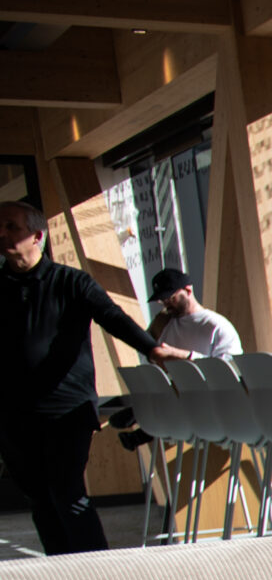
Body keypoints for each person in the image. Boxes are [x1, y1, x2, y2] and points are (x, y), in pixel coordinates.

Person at [0, 198, 187, 554]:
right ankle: (61, 569)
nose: (3, 233)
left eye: (12, 226)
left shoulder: (70, 282)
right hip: (13, 414)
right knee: (38, 498)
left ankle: (96, 569)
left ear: (37, 235)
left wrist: (154, 349)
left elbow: (112, 317)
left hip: (65, 410)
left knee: (67, 493)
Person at [148, 267, 242, 360]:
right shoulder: (163, 323)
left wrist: (181, 355)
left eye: (170, 298)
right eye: (162, 300)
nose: (166, 304)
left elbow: (231, 368)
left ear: (188, 290)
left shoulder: (218, 326)